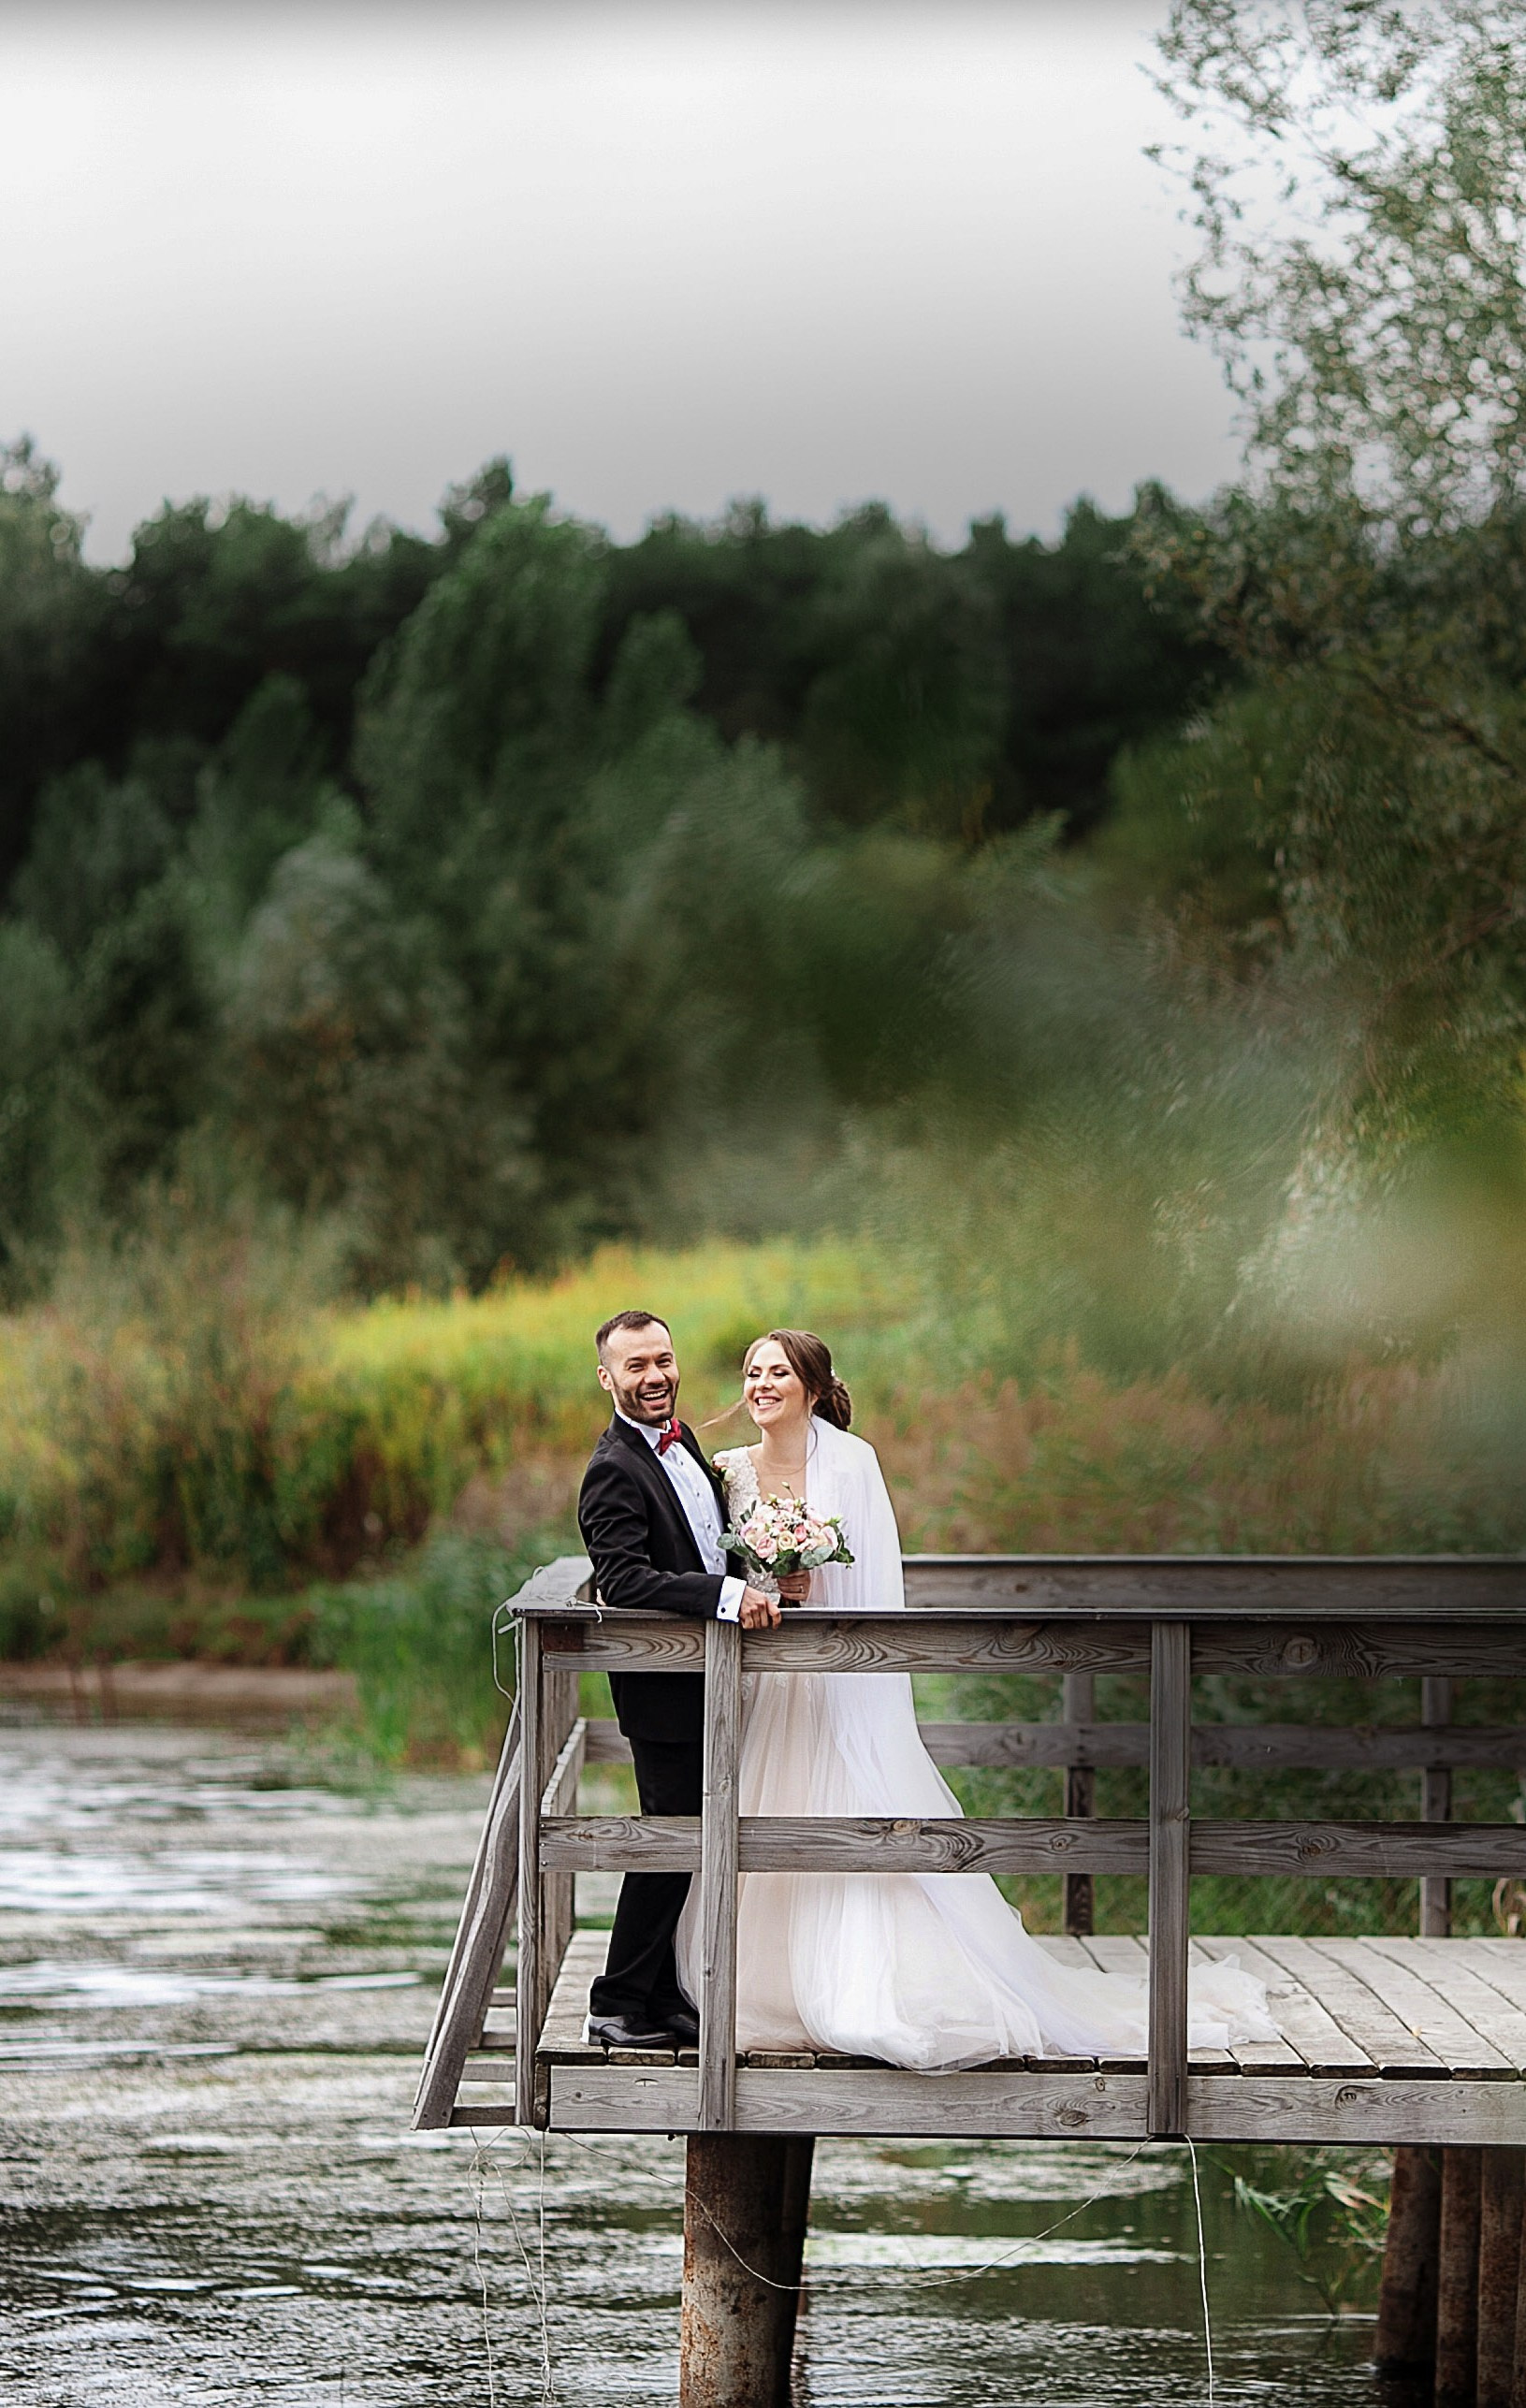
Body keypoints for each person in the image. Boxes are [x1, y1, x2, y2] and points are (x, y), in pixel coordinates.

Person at [674, 1327, 1276, 2070]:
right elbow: (713, 1568)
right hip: (763, 1682)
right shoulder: (727, 1470)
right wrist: (764, 1586)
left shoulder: (853, 1462)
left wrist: (810, 1586)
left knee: (846, 1812)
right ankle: (762, 1985)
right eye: (751, 1373)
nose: (760, 1385)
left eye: (777, 1373)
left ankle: (852, 1984)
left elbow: (871, 1580)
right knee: (761, 1820)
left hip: (831, 1677)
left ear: (814, 1388)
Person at [576, 1310, 779, 2051]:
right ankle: (613, 2003)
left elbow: (704, 1546)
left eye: (662, 1359)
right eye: (635, 1366)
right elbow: (625, 1579)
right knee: (667, 1841)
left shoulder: (681, 1439)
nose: (655, 1376)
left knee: (687, 1840)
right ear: (607, 1379)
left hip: (705, 1679)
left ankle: (660, 1996)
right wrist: (725, 1597)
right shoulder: (611, 1468)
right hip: (660, 1687)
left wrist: (767, 1573)